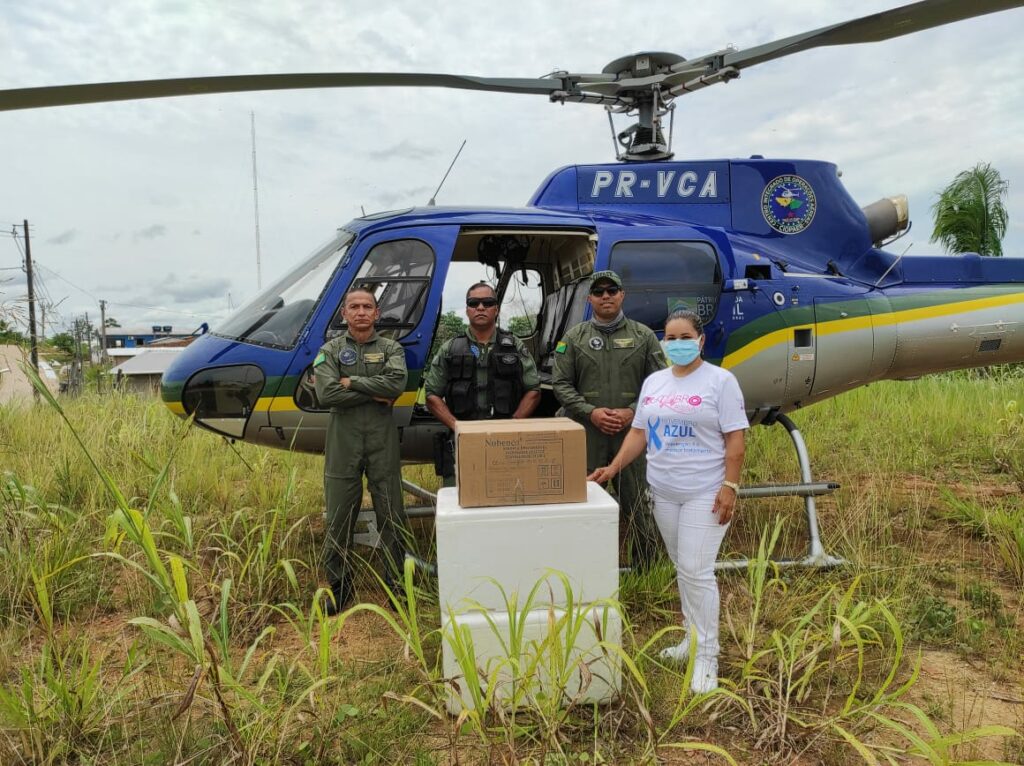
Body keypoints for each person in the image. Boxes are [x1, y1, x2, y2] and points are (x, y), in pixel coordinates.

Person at [588, 308, 747, 693]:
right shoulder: (655, 383)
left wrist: (730, 485)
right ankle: (690, 638)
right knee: (682, 567)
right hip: (663, 491)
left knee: (696, 569)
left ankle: (707, 655)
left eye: (685, 337)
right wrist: (613, 467)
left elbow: (736, 439)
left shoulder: (720, 382)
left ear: (701, 340)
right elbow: (639, 432)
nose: (677, 344)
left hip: (705, 492)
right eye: (670, 338)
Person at [552, 270, 666, 569]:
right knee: (584, 506)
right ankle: (584, 570)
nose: (605, 296)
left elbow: (660, 384)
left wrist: (633, 411)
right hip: (588, 438)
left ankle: (646, 571)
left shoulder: (644, 337)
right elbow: (561, 384)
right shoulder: (573, 338)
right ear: (590, 298)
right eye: (599, 292)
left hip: (632, 437)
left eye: (612, 291)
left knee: (639, 505)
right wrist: (590, 412)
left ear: (622, 295)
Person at [314, 287, 410, 615]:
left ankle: (397, 587)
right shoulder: (329, 350)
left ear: (376, 313)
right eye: (354, 306)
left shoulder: (391, 348)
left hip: (382, 440)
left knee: (392, 514)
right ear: (344, 314)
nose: (360, 312)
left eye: (367, 306)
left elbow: (396, 384)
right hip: (344, 440)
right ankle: (340, 589)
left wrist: (351, 382)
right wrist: (376, 393)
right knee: (339, 517)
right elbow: (327, 394)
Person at [424, 282, 541, 485]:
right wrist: (457, 426)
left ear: (496, 309)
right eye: (474, 303)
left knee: (506, 492)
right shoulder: (450, 348)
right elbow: (432, 394)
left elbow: (534, 390)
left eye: (487, 303)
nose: (480, 307)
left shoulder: (515, 346)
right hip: (462, 439)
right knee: (459, 494)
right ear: (467, 309)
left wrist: (513, 424)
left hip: (506, 441)